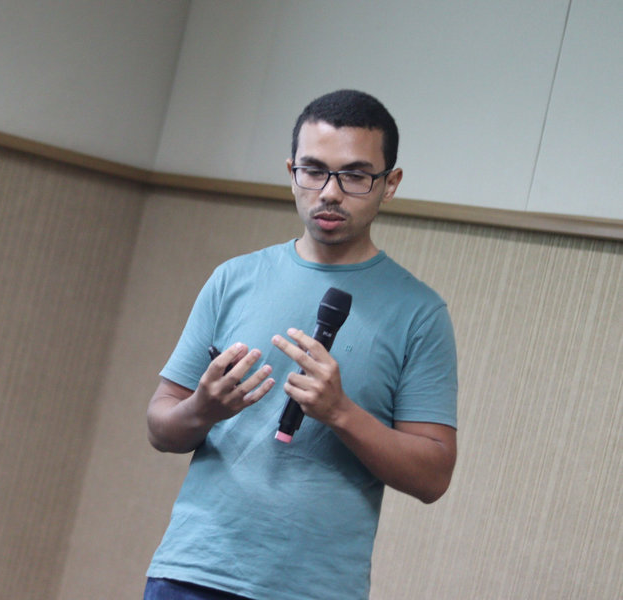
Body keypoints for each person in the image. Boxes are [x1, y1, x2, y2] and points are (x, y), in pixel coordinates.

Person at [143, 90, 458, 600]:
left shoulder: (419, 313)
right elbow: (160, 426)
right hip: (193, 572)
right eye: (313, 171)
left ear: (390, 183)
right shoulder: (233, 279)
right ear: (292, 172)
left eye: (355, 176)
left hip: (315, 589)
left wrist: (341, 413)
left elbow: (433, 476)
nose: (330, 192)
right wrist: (201, 409)